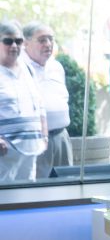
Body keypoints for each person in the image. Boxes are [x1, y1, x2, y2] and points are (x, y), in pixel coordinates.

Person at [21, 22, 72, 178]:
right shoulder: (18, 67)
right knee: (38, 192)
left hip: (61, 136)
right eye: (42, 40)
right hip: (35, 139)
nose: (48, 44)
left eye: (51, 39)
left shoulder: (56, 67)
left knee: (67, 187)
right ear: (26, 42)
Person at [0, 21, 47, 181]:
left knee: (28, 200)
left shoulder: (28, 69)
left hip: (31, 150)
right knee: (5, 202)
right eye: (8, 41)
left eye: (18, 41)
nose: (14, 46)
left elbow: (40, 105)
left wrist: (44, 136)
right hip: (5, 153)